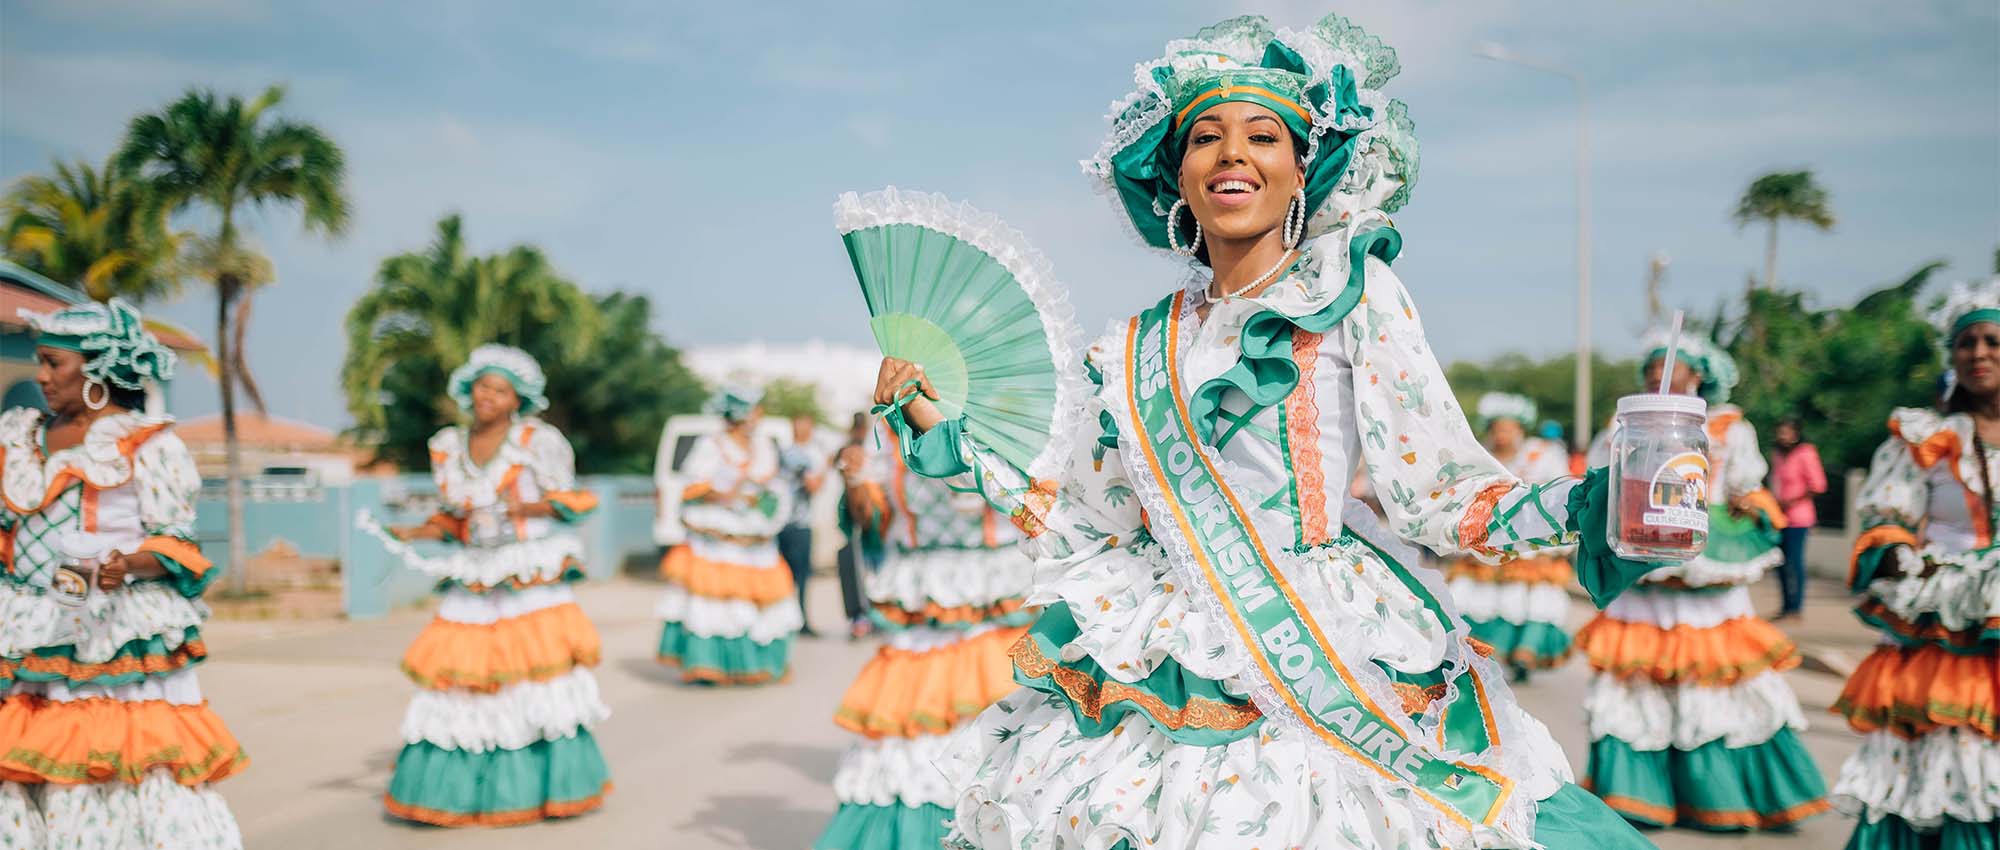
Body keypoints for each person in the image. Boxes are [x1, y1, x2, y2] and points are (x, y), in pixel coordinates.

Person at [867, 14, 1665, 848]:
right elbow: (1087, 515)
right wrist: (937, 425)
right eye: (1205, 136)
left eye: (1264, 135)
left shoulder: (1357, 295)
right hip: (1166, 649)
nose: (1233, 154)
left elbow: (1438, 495)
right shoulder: (1135, 345)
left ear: (1301, 169)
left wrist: (1598, 501)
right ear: (1176, 176)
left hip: (1329, 633)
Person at [0, 300, 244, 847]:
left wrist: (126, 564)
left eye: (53, 363)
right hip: (23, 624)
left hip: (109, 626)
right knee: (28, 759)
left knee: (106, 762)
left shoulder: (146, 445)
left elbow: (174, 540)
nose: (40, 376)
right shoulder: (17, 436)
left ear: (96, 371)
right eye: (39, 361)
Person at [1574, 332, 1828, 832]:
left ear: (1702, 375)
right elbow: (1600, 481)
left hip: (1705, 557)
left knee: (1716, 677)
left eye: (1673, 365)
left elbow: (1745, 487)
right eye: (1652, 364)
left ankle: (1720, 793)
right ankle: (1637, 792)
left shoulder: (1731, 428)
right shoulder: (1626, 423)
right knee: (1638, 680)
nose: (1658, 371)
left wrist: (1744, 507)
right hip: (1644, 563)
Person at [381, 344, 611, 825]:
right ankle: (458, 790)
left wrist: (523, 509)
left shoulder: (537, 440)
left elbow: (572, 501)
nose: (489, 396)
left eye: (501, 390)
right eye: (483, 385)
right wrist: (413, 531)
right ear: (468, 388)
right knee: (466, 677)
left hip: (528, 572)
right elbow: (453, 520)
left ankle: (533, 785)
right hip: (476, 571)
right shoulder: (447, 444)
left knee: (533, 676)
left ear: (517, 400)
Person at [812, 426, 1037, 850]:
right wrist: (855, 479)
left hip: (998, 604)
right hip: (921, 610)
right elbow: (870, 518)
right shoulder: (888, 437)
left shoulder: (996, 423)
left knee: (1005, 731)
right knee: (910, 738)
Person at [1834, 278, 2000, 849]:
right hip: (1947, 620)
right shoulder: (1925, 436)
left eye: (1993, 341)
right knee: (1954, 752)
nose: (1979, 353)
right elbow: (1887, 516)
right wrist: (1900, 551)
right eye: (1967, 342)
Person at [654, 386, 801, 684]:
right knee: (716, 604)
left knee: (754, 603)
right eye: (754, 410)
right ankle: (712, 664)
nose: (758, 417)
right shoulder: (712, 445)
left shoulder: (764, 446)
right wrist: (725, 494)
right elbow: (693, 487)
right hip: (718, 537)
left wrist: (764, 501)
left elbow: (775, 486)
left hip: (755, 537)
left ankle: (753, 664)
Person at [1445, 393, 1577, 680]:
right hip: (1489, 542)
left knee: (1535, 602)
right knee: (1479, 602)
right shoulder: (1478, 455)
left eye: (1509, 428)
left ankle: (1525, 653)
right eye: (1498, 428)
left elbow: (1560, 489)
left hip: (1534, 546)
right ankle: (1478, 657)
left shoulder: (1542, 454)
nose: (1503, 434)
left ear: (1520, 428)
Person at [1768, 416, 1825, 621]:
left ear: (1796, 433)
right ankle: (1785, 607)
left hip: (1799, 517)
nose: (1782, 435)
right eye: (1780, 431)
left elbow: (1818, 485)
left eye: (1786, 431)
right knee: (1779, 562)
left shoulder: (1806, 452)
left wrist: (1791, 501)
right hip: (1777, 517)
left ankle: (1796, 608)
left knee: (1794, 561)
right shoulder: (1778, 454)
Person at [777, 413, 827, 637]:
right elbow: (813, 486)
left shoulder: (784, 452)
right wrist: (825, 467)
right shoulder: (801, 456)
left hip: (783, 522)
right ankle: (798, 620)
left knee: (787, 574)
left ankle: (788, 618)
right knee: (800, 575)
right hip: (798, 523)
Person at [834, 413, 880, 640]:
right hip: (857, 517)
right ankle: (859, 617)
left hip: (879, 516)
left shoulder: (877, 449)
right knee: (855, 566)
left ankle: (875, 613)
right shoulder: (849, 450)